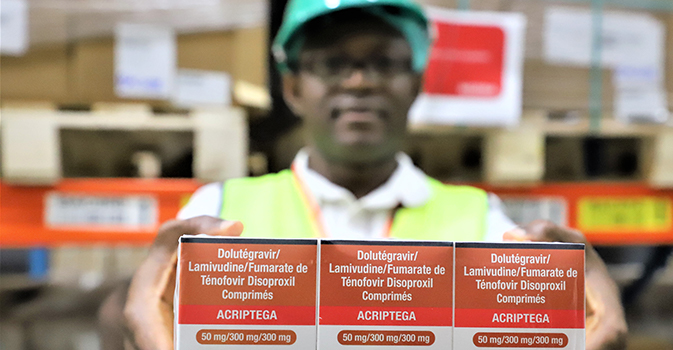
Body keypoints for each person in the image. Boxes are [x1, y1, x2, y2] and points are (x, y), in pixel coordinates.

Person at [102, 0, 627, 349]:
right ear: (293, 89)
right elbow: (145, 320)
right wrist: (133, 321)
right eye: (332, 64)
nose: (359, 81)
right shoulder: (219, 211)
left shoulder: (483, 222)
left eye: (384, 63)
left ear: (415, 85)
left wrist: (577, 326)